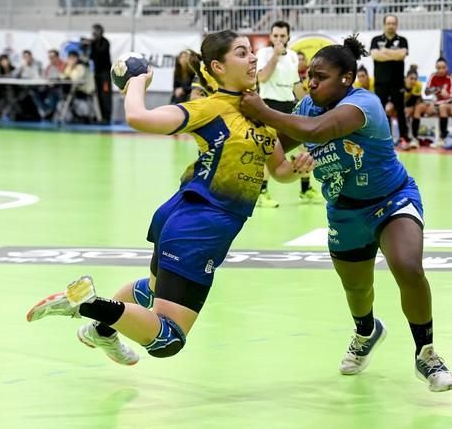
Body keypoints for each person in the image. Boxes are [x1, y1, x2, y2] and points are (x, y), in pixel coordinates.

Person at [26, 31, 314, 365]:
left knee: (150, 290)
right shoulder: (209, 108)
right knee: (168, 338)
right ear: (218, 67)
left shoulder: (260, 116)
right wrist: (135, 81)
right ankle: (85, 303)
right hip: (199, 226)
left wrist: (297, 170)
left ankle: (101, 332)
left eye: (251, 52)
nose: (252, 58)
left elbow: (278, 169)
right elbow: (138, 117)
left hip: (183, 216)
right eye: (241, 53)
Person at [240, 35, 452, 392]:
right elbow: (277, 151)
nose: (311, 82)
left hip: (391, 199)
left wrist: (262, 110)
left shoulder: (364, 104)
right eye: (309, 74)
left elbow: (317, 131)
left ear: (347, 78)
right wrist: (255, 142)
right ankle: (366, 331)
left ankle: (427, 354)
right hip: (344, 210)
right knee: (358, 289)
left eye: (320, 76)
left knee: (407, 265)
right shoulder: (307, 108)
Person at [256, 21, 319, 207]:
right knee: (269, 151)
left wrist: (310, 104)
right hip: (268, 107)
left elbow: (296, 86)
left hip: (289, 107)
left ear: (288, 37)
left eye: (282, 36)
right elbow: (262, 78)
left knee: (305, 148)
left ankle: (306, 189)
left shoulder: (292, 56)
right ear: (270, 37)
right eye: (275, 36)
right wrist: (275, 57)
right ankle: (262, 192)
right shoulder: (263, 54)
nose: (278, 39)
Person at [370, 15, 410, 149]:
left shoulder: (402, 40)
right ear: (384, 25)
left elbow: (402, 55)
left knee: (400, 111)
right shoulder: (376, 40)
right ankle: (384, 140)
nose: (391, 26)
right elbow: (376, 56)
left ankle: (404, 138)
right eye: (388, 23)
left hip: (398, 83)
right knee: (380, 112)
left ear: (396, 25)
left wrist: (385, 52)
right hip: (381, 82)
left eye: (393, 23)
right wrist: (394, 54)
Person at [424, 57, 452, 149]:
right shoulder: (433, 76)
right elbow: (427, 91)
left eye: (443, 67)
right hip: (438, 103)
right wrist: (439, 90)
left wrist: (437, 102)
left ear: (447, 67)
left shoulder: (451, 78)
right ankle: (414, 138)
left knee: (443, 107)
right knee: (425, 109)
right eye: (438, 68)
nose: (441, 70)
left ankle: (443, 137)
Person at [385, 65, 423, 149]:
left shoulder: (418, 85)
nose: (413, 81)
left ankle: (412, 138)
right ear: (406, 78)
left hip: (409, 106)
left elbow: (413, 101)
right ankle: (388, 137)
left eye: (415, 79)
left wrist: (405, 109)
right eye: (411, 78)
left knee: (414, 108)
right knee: (388, 109)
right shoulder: (399, 84)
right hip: (397, 105)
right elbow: (393, 99)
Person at [83, 24, 112, 123]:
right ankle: (102, 117)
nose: (93, 33)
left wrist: (91, 42)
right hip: (97, 73)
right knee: (99, 95)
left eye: (95, 31)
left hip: (105, 74)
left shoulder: (105, 42)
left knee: (105, 95)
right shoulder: (94, 43)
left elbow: (100, 53)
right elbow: (90, 56)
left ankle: (107, 117)